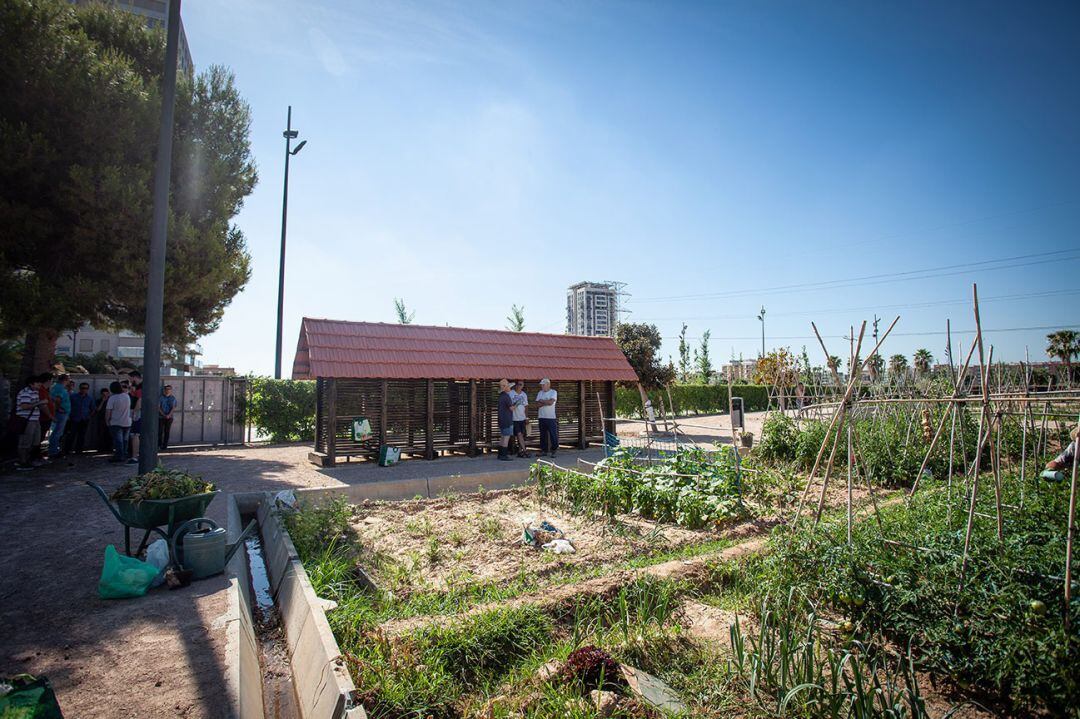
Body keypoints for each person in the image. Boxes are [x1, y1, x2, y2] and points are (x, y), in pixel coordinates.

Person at [14, 376, 48, 469]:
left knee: (35, 441)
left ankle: (29, 459)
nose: (40, 384)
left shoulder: (35, 392)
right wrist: (39, 403)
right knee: (25, 442)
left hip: (35, 420)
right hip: (27, 420)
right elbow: (24, 406)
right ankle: (22, 462)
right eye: (37, 383)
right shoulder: (26, 393)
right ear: (31, 384)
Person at [105, 380, 132, 463]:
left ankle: (119, 456)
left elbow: (108, 411)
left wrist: (107, 421)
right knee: (125, 440)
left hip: (115, 422)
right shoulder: (127, 396)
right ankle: (124, 454)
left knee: (118, 441)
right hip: (127, 421)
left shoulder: (112, 398)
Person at [65, 382, 94, 454]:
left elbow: (93, 408)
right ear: (79, 388)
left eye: (86, 388)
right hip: (74, 419)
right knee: (71, 435)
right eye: (82, 388)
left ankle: (79, 450)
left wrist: (89, 416)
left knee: (82, 435)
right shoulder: (73, 397)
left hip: (84, 419)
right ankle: (67, 450)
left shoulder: (90, 398)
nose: (84, 390)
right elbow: (68, 406)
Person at [47, 373, 71, 458]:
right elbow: (57, 399)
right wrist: (59, 408)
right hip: (61, 413)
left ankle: (54, 449)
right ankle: (53, 451)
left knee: (57, 431)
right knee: (57, 432)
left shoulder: (55, 386)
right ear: (65, 380)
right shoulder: (60, 388)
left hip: (60, 412)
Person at [535, 378, 558, 458]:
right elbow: (537, 405)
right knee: (543, 435)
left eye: (543, 385)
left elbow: (551, 402)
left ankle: (554, 450)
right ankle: (544, 450)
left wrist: (542, 401)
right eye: (541, 385)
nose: (542, 386)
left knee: (553, 434)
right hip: (542, 417)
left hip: (551, 417)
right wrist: (546, 402)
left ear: (548, 384)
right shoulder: (540, 393)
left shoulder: (553, 392)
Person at [510, 380, 531, 458]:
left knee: (521, 435)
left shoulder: (524, 395)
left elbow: (526, 406)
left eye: (521, 385)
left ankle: (520, 452)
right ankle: (525, 450)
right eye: (518, 384)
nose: (519, 386)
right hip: (514, 418)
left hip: (522, 418)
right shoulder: (511, 393)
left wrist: (526, 417)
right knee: (519, 434)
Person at [497, 379, 515, 461]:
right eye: (509, 386)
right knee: (506, 437)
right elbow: (511, 408)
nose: (510, 388)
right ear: (505, 387)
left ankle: (500, 454)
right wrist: (517, 404)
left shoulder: (501, 396)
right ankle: (504, 455)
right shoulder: (506, 397)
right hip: (507, 420)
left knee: (503, 437)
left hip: (501, 419)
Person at [93, 387, 112, 453]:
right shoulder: (98, 401)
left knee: (109, 434)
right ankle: (101, 448)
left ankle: (109, 448)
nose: (105, 396)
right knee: (101, 434)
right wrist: (103, 401)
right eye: (103, 394)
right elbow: (98, 409)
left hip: (110, 419)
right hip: (101, 419)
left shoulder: (111, 400)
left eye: (106, 394)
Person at [158, 384, 177, 450]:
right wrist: (163, 415)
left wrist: (168, 415)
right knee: (160, 431)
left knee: (167, 431)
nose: (168, 391)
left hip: (169, 418)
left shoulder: (173, 398)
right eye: (166, 389)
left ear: (171, 390)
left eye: (169, 389)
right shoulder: (161, 398)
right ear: (164, 390)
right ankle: (159, 445)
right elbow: (158, 407)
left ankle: (165, 446)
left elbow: (173, 408)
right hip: (161, 417)